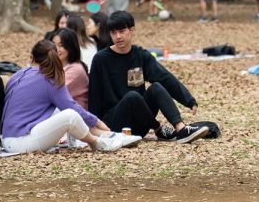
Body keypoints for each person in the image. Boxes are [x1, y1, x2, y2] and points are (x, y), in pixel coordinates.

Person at [88, 11, 209, 142]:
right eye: (113, 33)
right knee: (132, 96)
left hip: (141, 124)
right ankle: (158, 129)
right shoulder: (101, 59)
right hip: (113, 124)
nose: (118, 36)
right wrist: (97, 129)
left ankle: (181, 129)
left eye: (122, 31)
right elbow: (94, 94)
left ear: (132, 30)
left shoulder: (141, 55)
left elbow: (164, 77)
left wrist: (189, 100)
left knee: (156, 87)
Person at [1, 39, 127, 153]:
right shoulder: (50, 79)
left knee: (58, 110)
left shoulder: (16, 75)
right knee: (70, 115)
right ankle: (96, 142)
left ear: (31, 57)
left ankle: (104, 135)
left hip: (5, 139)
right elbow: (72, 108)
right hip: (21, 144)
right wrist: (97, 121)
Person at [53, 28, 90, 109]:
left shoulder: (76, 69)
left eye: (61, 45)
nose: (56, 49)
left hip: (74, 116)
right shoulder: (55, 66)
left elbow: (53, 91)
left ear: (70, 47)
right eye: (53, 45)